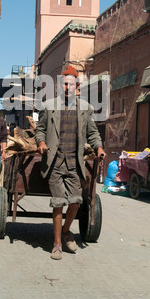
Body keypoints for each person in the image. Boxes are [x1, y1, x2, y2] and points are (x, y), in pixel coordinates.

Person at [36, 65, 106, 260]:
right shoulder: (49, 106)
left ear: (77, 87)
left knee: (76, 201)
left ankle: (67, 230)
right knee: (58, 202)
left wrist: (99, 147)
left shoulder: (85, 109)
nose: (67, 87)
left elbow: (92, 133)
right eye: (64, 84)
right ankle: (57, 243)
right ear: (60, 85)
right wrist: (41, 142)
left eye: (71, 84)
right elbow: (40, 130)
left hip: (75, 163)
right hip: (55, 162)